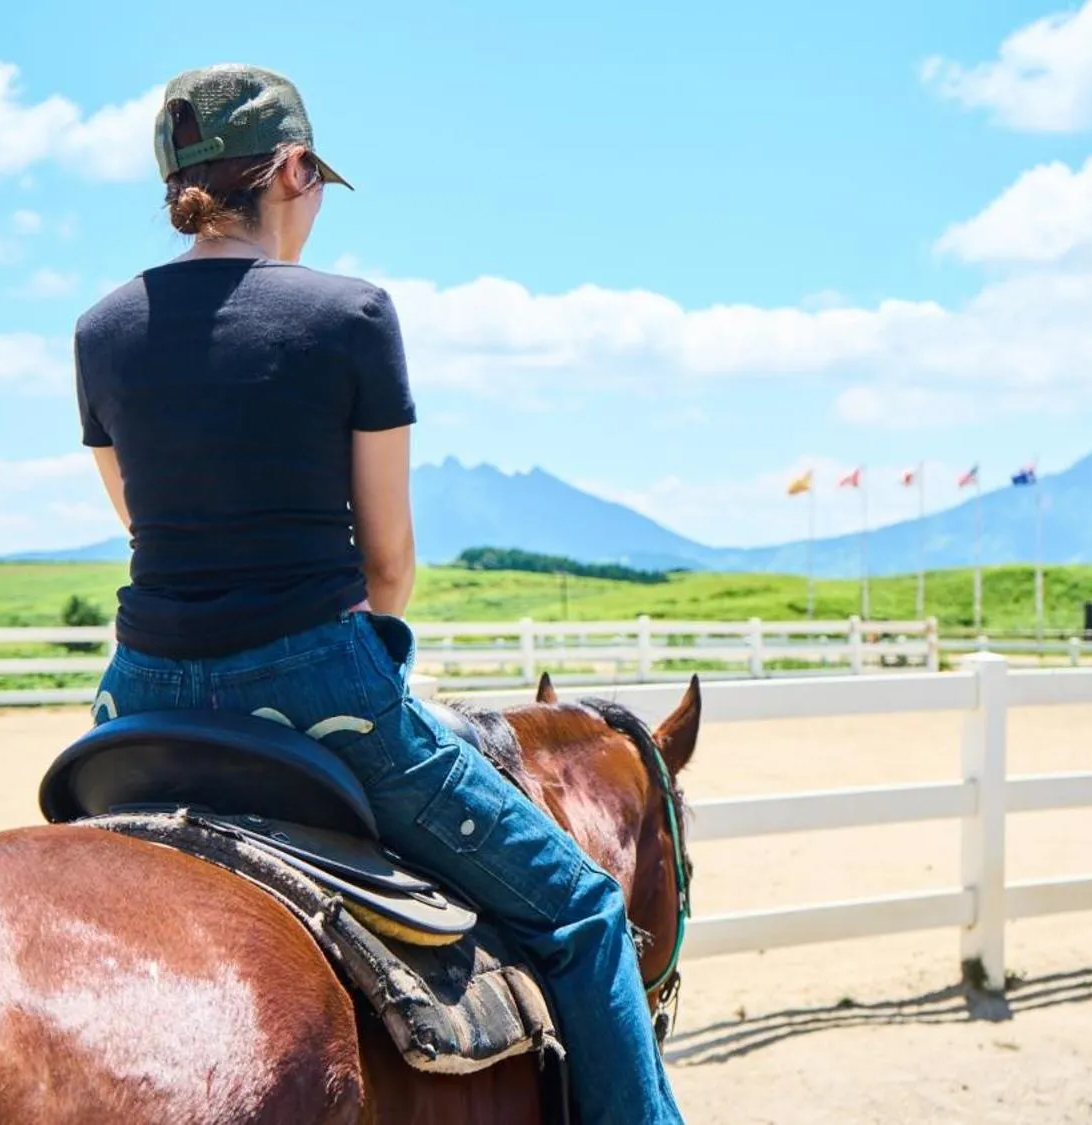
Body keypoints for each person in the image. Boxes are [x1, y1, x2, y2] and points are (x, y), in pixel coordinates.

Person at [72, 65, 683, 1125]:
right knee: (584, 909)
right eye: (315, 183)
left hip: (137, 703)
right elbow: (389, 563)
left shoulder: (100, 329)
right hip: (322, 695)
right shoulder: (349, 314)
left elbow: (139, 523)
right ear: (293, 169)